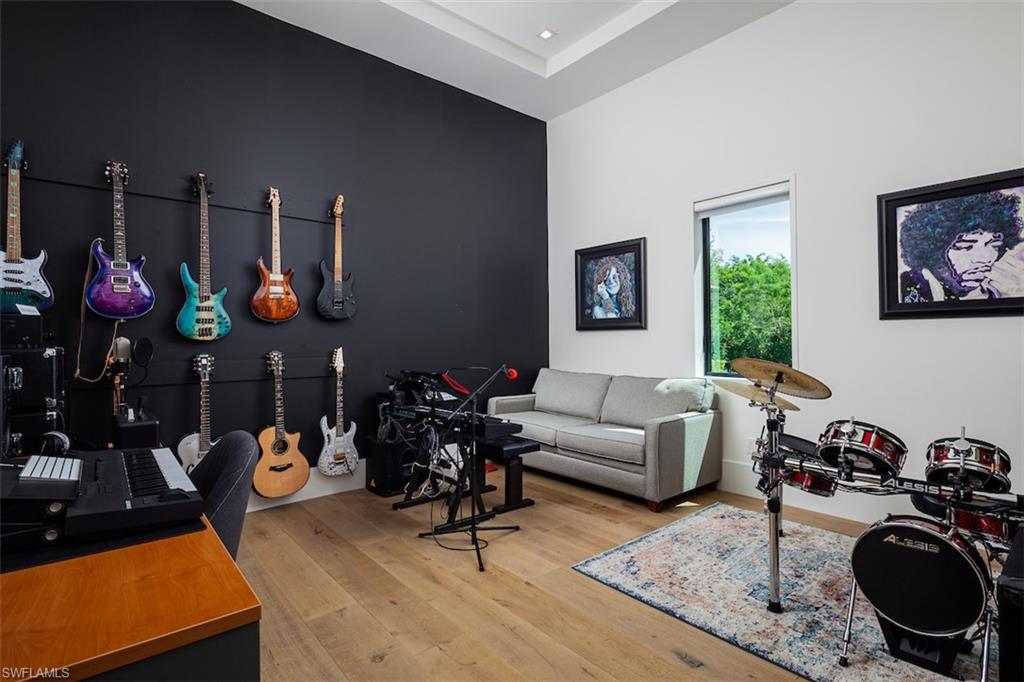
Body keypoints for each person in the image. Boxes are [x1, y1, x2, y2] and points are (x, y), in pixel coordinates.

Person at [898, 190, 1024, 302]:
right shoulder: (912, 286)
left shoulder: (999, 289)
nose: (983, 258)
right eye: (966, 247)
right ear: (934, 255)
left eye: (993, 245)